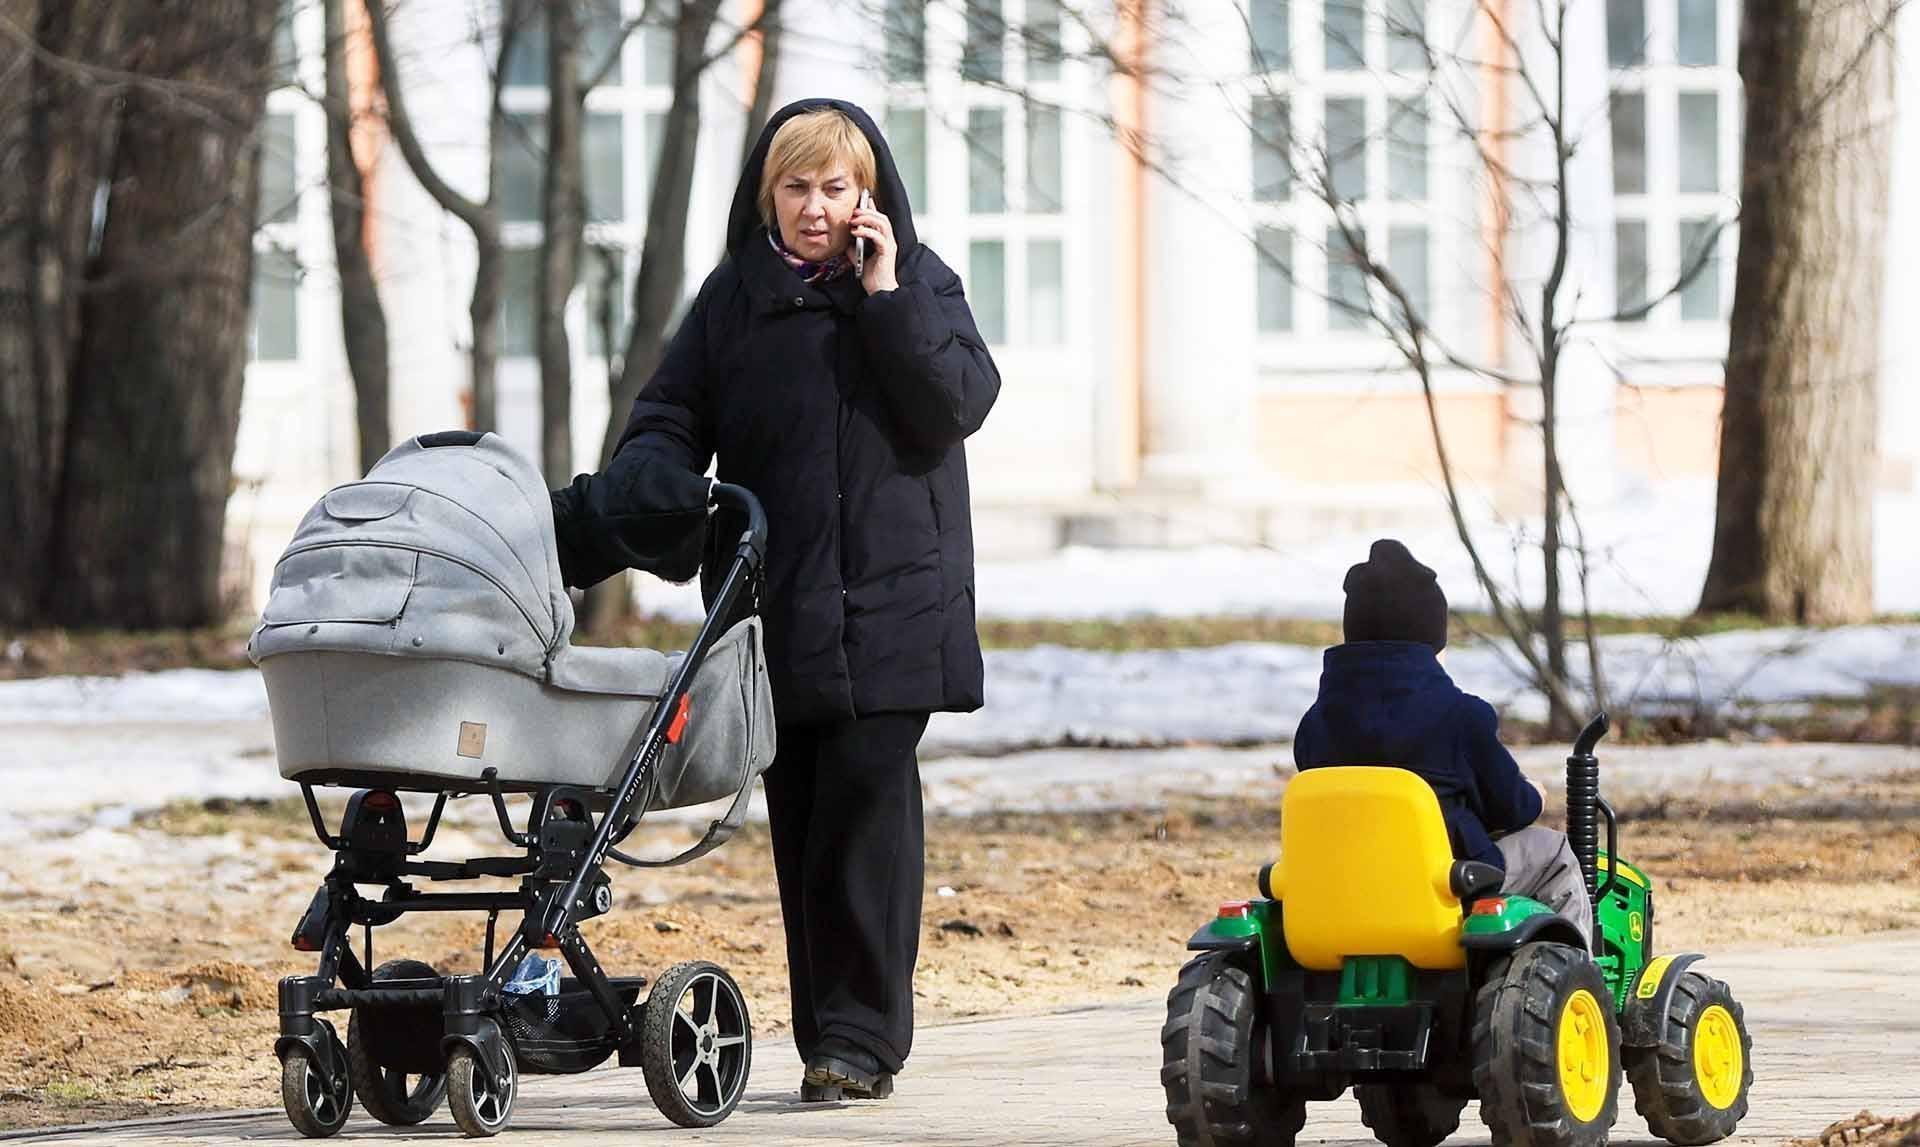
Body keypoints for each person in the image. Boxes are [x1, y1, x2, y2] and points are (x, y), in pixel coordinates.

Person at [549, 98, 1000, 1101]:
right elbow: (668, 415)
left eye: (834, 188)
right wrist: (654, 471)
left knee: (869, 806)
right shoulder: (734, 301)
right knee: (802, 821)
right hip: (778, 604)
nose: (814, 208)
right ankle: (827, 1038)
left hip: (896, 605)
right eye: (795, 188)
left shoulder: (919, 283)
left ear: (867, 195)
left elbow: (957, 405)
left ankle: (861, 1037)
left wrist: (886, 297)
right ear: (769, 196)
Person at [1292, 539, 1593, 944]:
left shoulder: (1316, 724)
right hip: (1440, 889)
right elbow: (1508, 807)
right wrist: (1534, 795)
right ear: (1431, 643)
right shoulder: (1461, 717)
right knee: (1554, 852)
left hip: (1343, 886)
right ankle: (1579, 974)